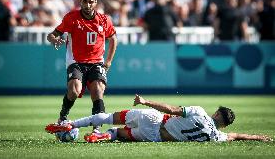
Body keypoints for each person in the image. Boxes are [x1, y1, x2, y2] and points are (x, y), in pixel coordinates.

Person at [45, 94, 272, 143]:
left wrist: (146, 102)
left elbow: (172, 109)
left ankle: (70, 123)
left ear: (216, 114)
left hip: (155, 118)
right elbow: (235, 136)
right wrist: (257, 138)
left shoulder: (201, 111)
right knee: (118, 134)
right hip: (154, 136)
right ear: (223, 123)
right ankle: (102, 137)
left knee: (108, 116)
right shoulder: (216, 137)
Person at [47, 0, 118, 132]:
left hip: (97, 62)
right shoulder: (71, 18)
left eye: (91, 2)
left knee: (98, 90)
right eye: (85, 1)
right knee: (74, 90)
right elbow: (52, 34)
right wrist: (54, 39)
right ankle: (63, 117)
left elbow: (113, 39)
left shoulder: (104, 20)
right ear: (80, 1)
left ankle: (97, 128)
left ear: (96, 2)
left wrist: (108, 61)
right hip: (75, 61)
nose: (87, 5)